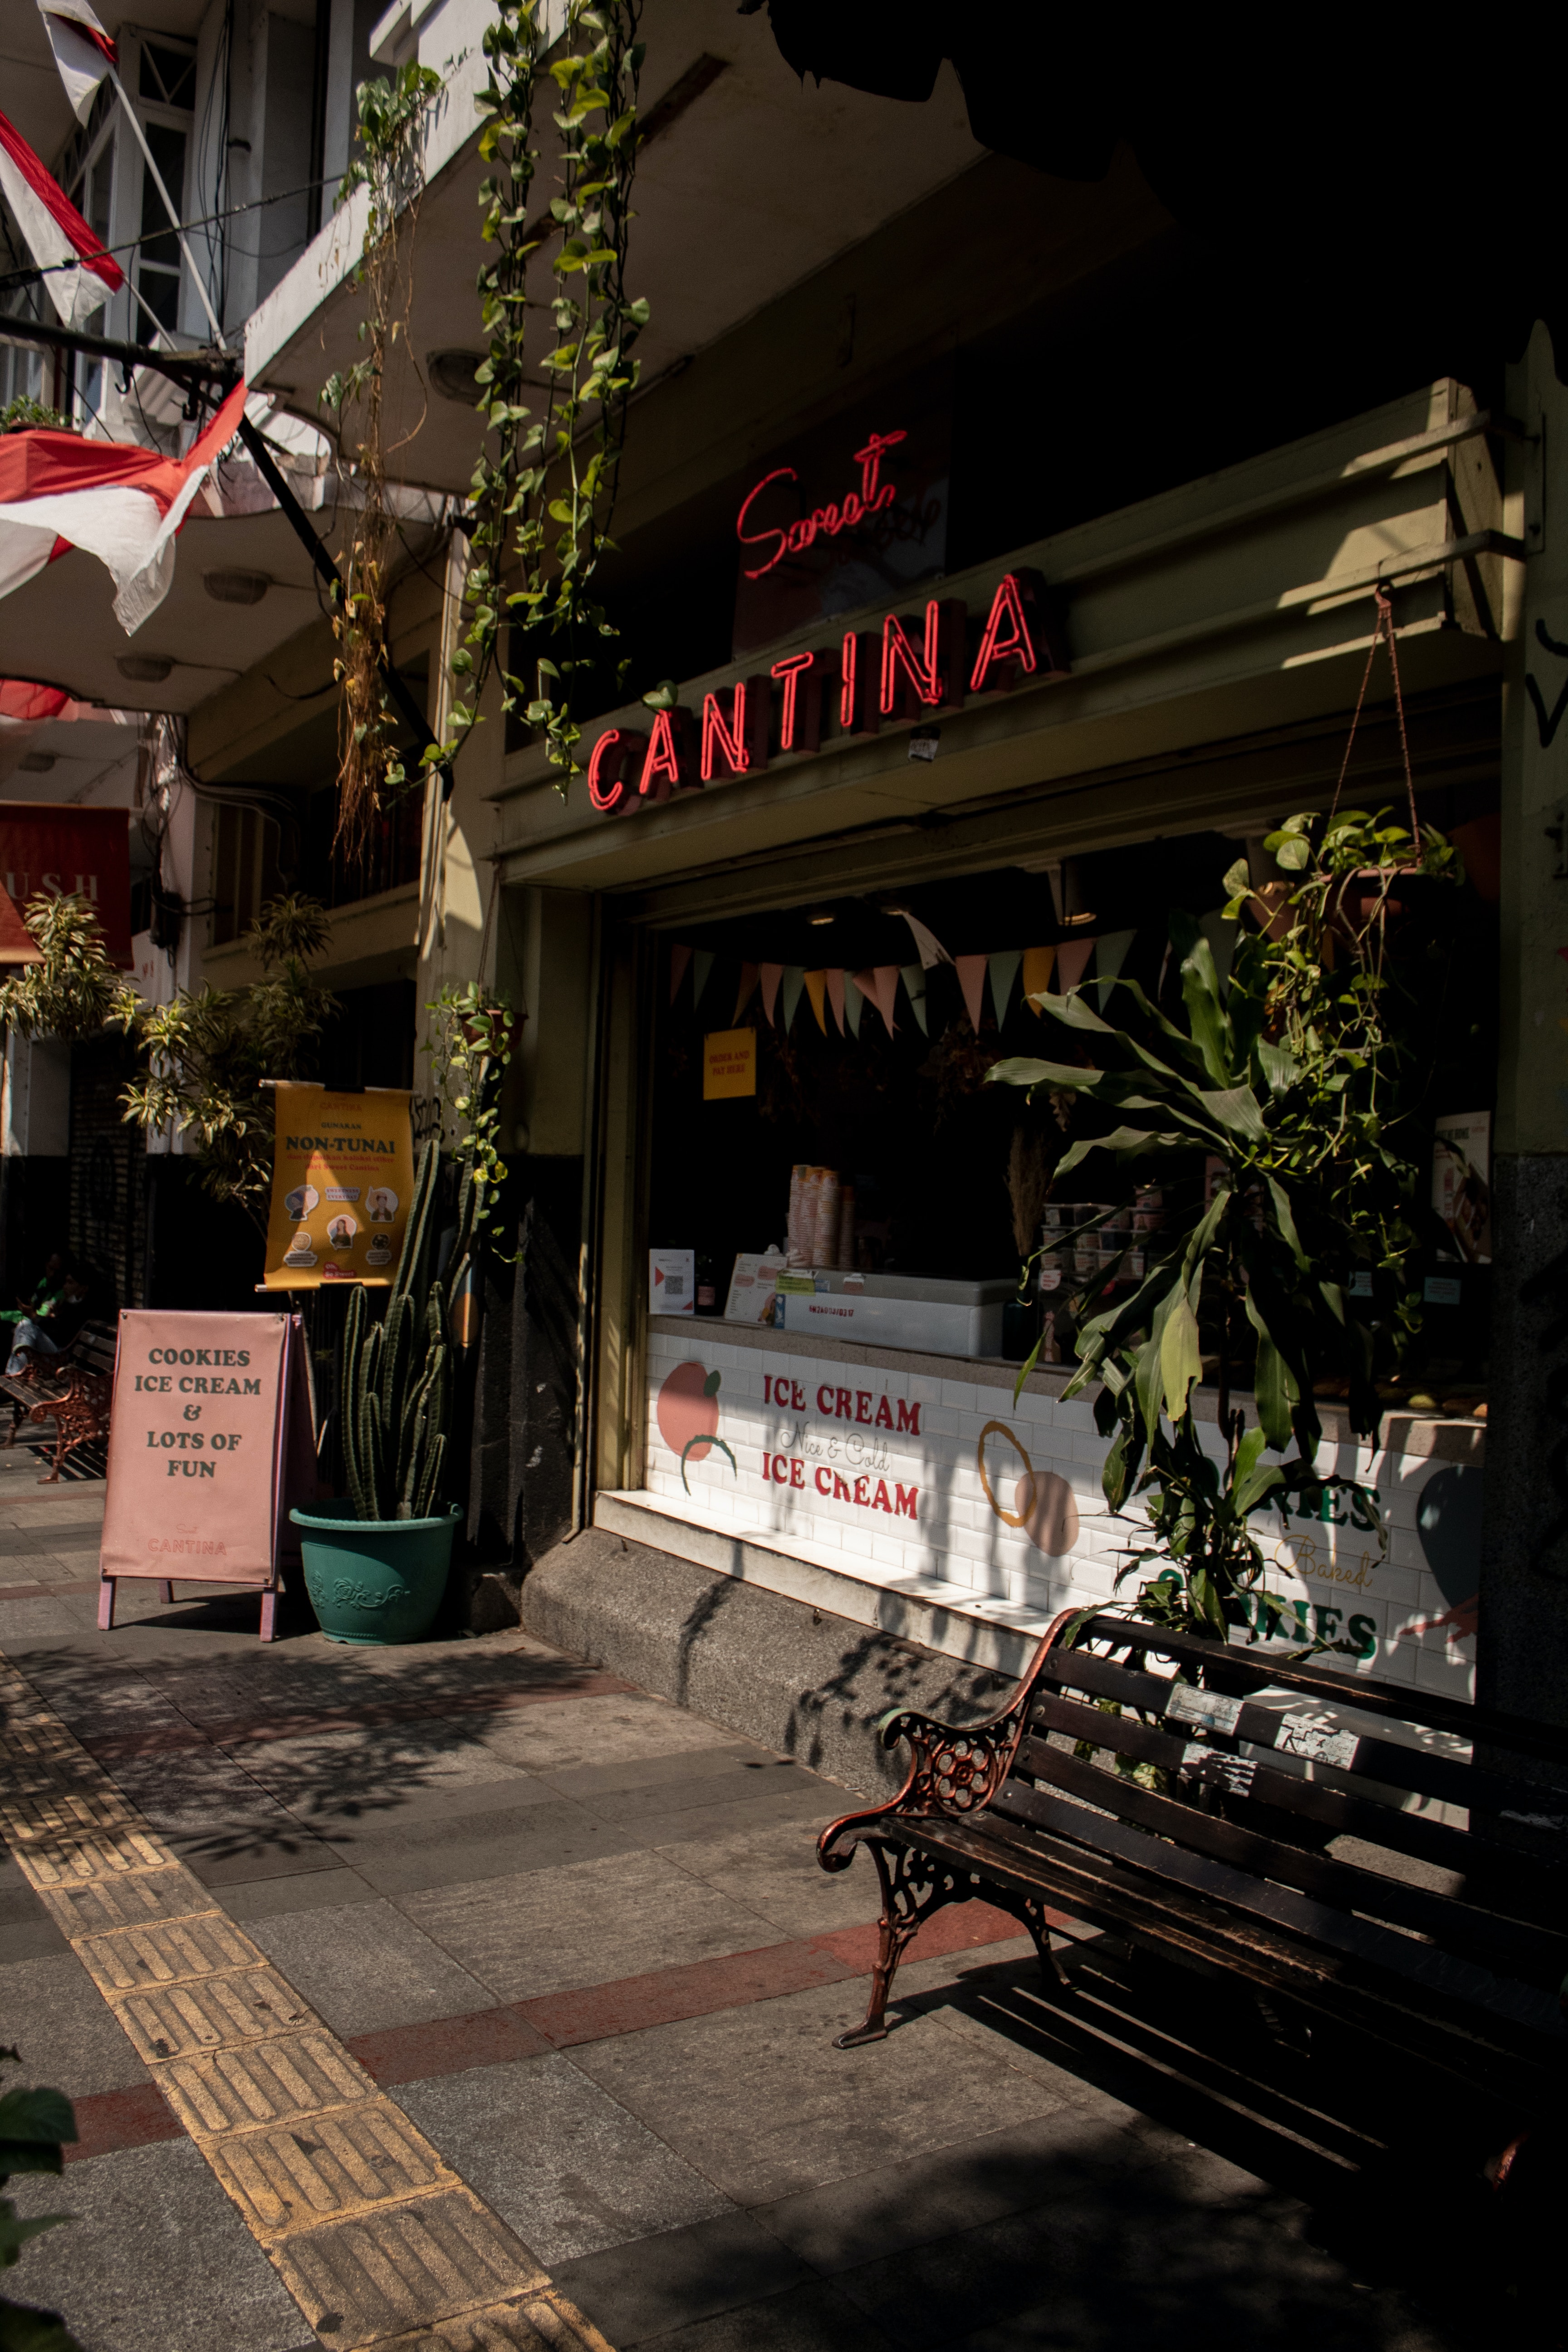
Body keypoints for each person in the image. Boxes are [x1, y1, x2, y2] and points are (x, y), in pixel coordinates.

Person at [5, 1262, 93, 1377]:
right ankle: (13, 1374)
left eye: (71, 1283)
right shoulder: (69, 1303)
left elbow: (60, 1333)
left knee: (27, 1327)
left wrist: (35, 1316)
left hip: (62, 1359)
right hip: (57, 1351)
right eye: (66, 1282)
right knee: (24, 1326)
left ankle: (13, 1375)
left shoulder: (84, 1309)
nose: (65, 1286)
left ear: (84, 1288)